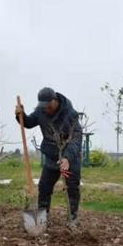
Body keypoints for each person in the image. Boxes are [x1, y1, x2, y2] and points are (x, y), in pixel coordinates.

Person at [15, 87, 82, 227]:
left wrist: (67, 157)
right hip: (52, 157)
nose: (46, 109)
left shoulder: (70, 114)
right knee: (44, 187)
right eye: (43, 107)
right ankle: (42, 219)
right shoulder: (41, 111)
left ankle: (72, 218)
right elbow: (28, 122)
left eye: (49, 106)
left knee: (72, 188)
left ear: (55, 101)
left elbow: (76, 139)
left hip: (70, 160)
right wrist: (20, 115)